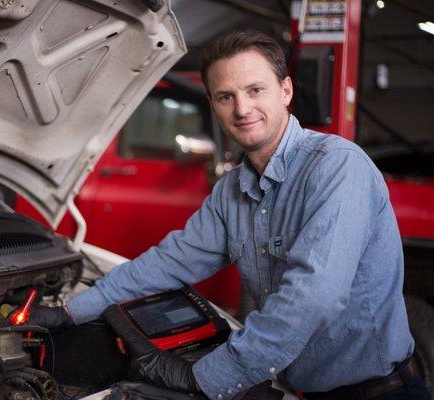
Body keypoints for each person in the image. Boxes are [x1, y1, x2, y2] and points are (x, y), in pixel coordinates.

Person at [30, 30, 431, 400]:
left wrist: (203, 377)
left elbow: (312, 298)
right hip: (300, 390)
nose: (242, 109)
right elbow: (169, 263)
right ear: (213, 106)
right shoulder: (232, 190)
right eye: (226, 97)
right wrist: (71, 312)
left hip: (381, 393)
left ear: (286, 91)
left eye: (255, 90)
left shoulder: (336, 168)